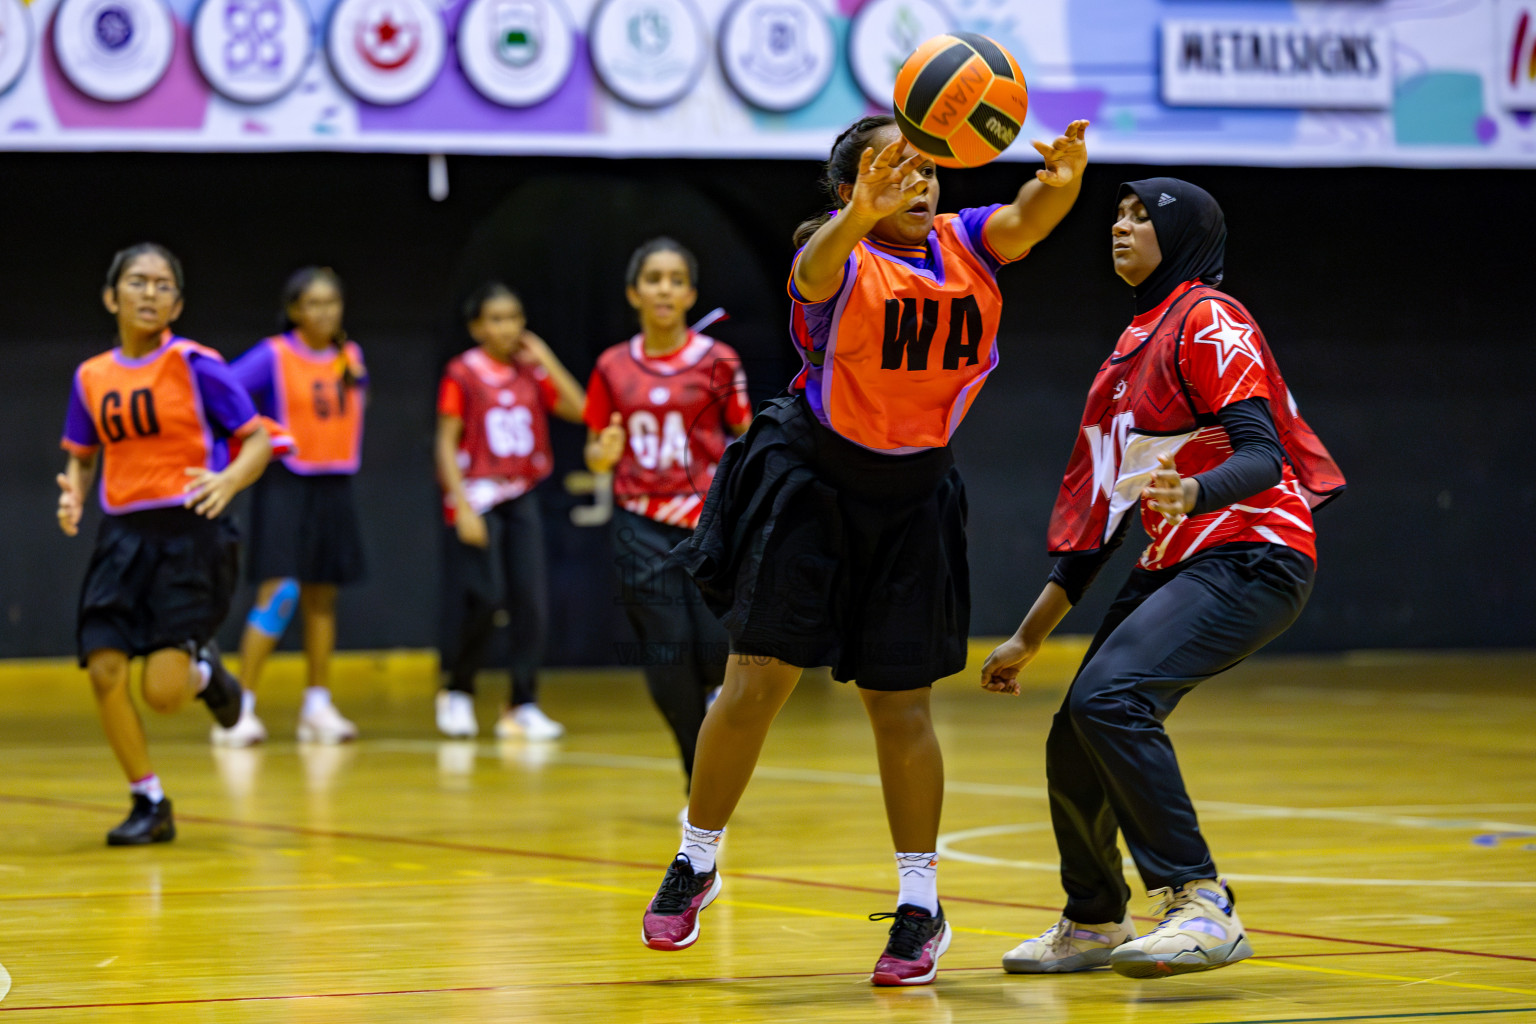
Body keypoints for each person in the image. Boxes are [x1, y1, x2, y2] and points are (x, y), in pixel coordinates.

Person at [640, 116, 1092, 986]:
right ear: (852, 187)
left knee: (901, 707)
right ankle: (697, 857)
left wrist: (1065, 181)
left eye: (931, 170)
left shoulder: (968, 242)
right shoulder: (835, 254)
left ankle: (921, 906)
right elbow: (811, 273)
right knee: (756, 680)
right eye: (898, 169)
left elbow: (1028, 218)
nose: (922, 184)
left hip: (913, 495)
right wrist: (860, 212)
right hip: (811, 478)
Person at [980, 178, 1345, 978]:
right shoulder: (1128, 350)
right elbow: (1096, 528)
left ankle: (1200, 902)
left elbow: (1262, 453)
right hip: (1179, 555)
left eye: (1143, 215)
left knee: (1112, 698)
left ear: (1182, 236)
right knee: (1075, 731)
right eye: (1118, 212)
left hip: (1253, 547)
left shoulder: (1209, 317)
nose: (1122, 225)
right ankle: (1094, 919)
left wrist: (1195, 489)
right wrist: (1026, 637)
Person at [57, 243, 272, 845]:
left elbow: (255, 440)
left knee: (163, 695)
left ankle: (207, 678)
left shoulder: (197, 365)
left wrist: (229, 478)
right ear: (111, 297)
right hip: (122, 539)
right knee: (103, 669)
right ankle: (148, 799)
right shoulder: (91, 376)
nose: (149, 294)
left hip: (191, 536)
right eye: (136, 282)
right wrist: (74, 491)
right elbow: (82, 452)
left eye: (162, 285)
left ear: (177, 302)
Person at [583, 239, 751, 792]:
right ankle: (694, 778)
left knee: (711, 649)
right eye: (653, 278)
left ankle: (712, 726)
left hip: (706, 523)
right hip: (639, 522)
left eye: (676, 279)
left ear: (691, 294)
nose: (664, 288)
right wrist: (602, 455)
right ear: (635, 292)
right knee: (665, 648)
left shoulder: (718, 360)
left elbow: (744, 436)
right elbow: (596, 449)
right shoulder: (612, 365)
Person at [217, 267, 369, 746]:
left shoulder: (350, 356)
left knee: (322, 597)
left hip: (334, 483)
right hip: (287, 483)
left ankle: (317, 705)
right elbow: (223, 390)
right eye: (313, 304)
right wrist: (259, 434)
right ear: (294, 311)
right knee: (281, 593)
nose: (324, 312)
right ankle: (238, 707)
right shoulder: (274, 355)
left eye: (332, 302)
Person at [435, 284, 585, 739]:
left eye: (514, 317)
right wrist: (460, 505)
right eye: (496, 319)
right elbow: (445, 441)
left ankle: (522, 702)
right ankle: (458, 689)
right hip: (478, 495)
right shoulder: (462, 373)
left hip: (522, 492)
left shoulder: (530, 371)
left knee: (531, 603)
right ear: (477, 326)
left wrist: (546, 359)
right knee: (485, 598)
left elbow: (582, 410)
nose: (507, 327)